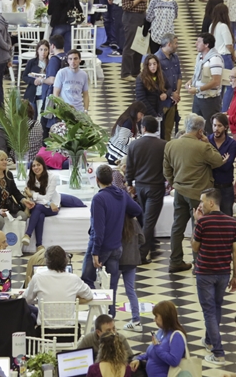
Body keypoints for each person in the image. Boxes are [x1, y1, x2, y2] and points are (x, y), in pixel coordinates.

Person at [163, 113, 226, 272]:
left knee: (177, 226)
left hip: (180, 191)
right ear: (200, 131)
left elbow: (166, 170)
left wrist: (174, 183)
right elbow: (218, 161)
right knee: (198, 227)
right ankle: (199, 262)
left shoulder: (171, 145)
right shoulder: (202, 147)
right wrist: (208, 142)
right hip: (198, 194)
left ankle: (175, 260)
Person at [83, 165, 142, 314]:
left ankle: (96, 315)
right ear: (111, 179)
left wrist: (95, 252)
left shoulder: (99, 198)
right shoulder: (121, 194)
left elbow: (98, 228)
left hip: (101, 247)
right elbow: (137, 210)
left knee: (86, 279)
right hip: (117, 247)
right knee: (111, 287)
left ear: (97, 180)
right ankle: (110, 316)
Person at [192, 187, 236, 366]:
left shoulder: (203, 223)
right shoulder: (232, 223)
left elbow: (195, 247)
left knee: (209, 311)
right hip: (223, 273)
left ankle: (218, 352)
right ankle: (209, 339)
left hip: (205, 272)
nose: (200, 205)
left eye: (202, 201)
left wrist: (198, 222)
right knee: (216, 307)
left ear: (211, 202)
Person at [125, 116, 167, 262]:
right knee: (149, 221)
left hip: (140, 187)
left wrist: (129, 183)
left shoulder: (134, 145)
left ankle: (151, 247)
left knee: (145, 219)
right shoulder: (164, 145)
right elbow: (168, 167)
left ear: (143, 128)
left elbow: (129, 166)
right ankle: (141, 255)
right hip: (156, 187)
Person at [24, 244, 93, 307]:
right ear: (65, 261)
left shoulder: (38, 278)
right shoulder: (74, 279)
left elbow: (26, 299)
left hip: (44, 321)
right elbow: (89, 295)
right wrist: (73, 298)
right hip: (69, 320)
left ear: (47, 262)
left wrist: (31, 286)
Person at [22, 156, 61, 253]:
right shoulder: (30, 178)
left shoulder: (52, 177)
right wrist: (34, 197)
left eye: (38, 165)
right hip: (38, 207)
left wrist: (33, 195)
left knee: (38, 208)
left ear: (43, 165)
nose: (36, 168)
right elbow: (34, 199)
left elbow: (48, 198)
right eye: (33, 166)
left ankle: (28, 234)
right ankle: (39, 245)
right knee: (40, 214)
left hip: (53, 206)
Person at [186, 33, 223, 132]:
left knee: (209, 129)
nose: (195, 44)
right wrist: (190, 82)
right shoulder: (200, 56)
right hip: (198, 98)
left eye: (198, 41)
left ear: (206, 45)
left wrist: (197, 89)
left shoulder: (215, 59)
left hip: (209, 100)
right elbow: (197, 74)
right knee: (195, 127)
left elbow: (216, 81)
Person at [208, 114, 236, 216]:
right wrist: (221, 161)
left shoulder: (232, 144)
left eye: (219, 126)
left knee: (227, 218)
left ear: (225, 127)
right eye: (214, 125)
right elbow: (204, 165)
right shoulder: (207, 141)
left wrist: (212, 163)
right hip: (210, 187)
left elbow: (226, 166)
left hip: (226, 188)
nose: (216, 128)